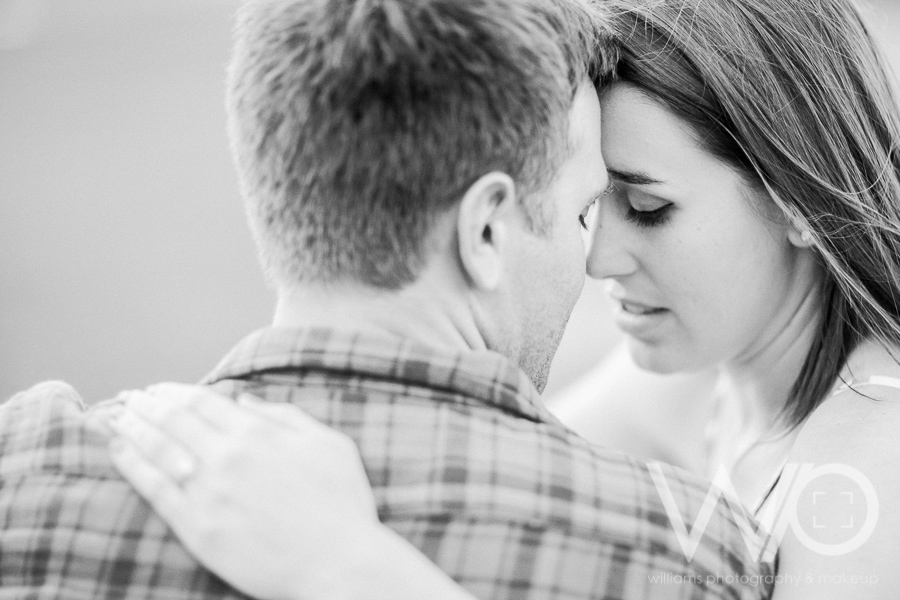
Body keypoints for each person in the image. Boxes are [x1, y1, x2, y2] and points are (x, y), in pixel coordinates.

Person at [108, 0, 900, 598]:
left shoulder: (873, 463)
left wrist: (347, 566)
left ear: (799, 201)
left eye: (649, 209)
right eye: (590, 207)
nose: (596, 258)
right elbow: (466, 454)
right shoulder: (702, 384)